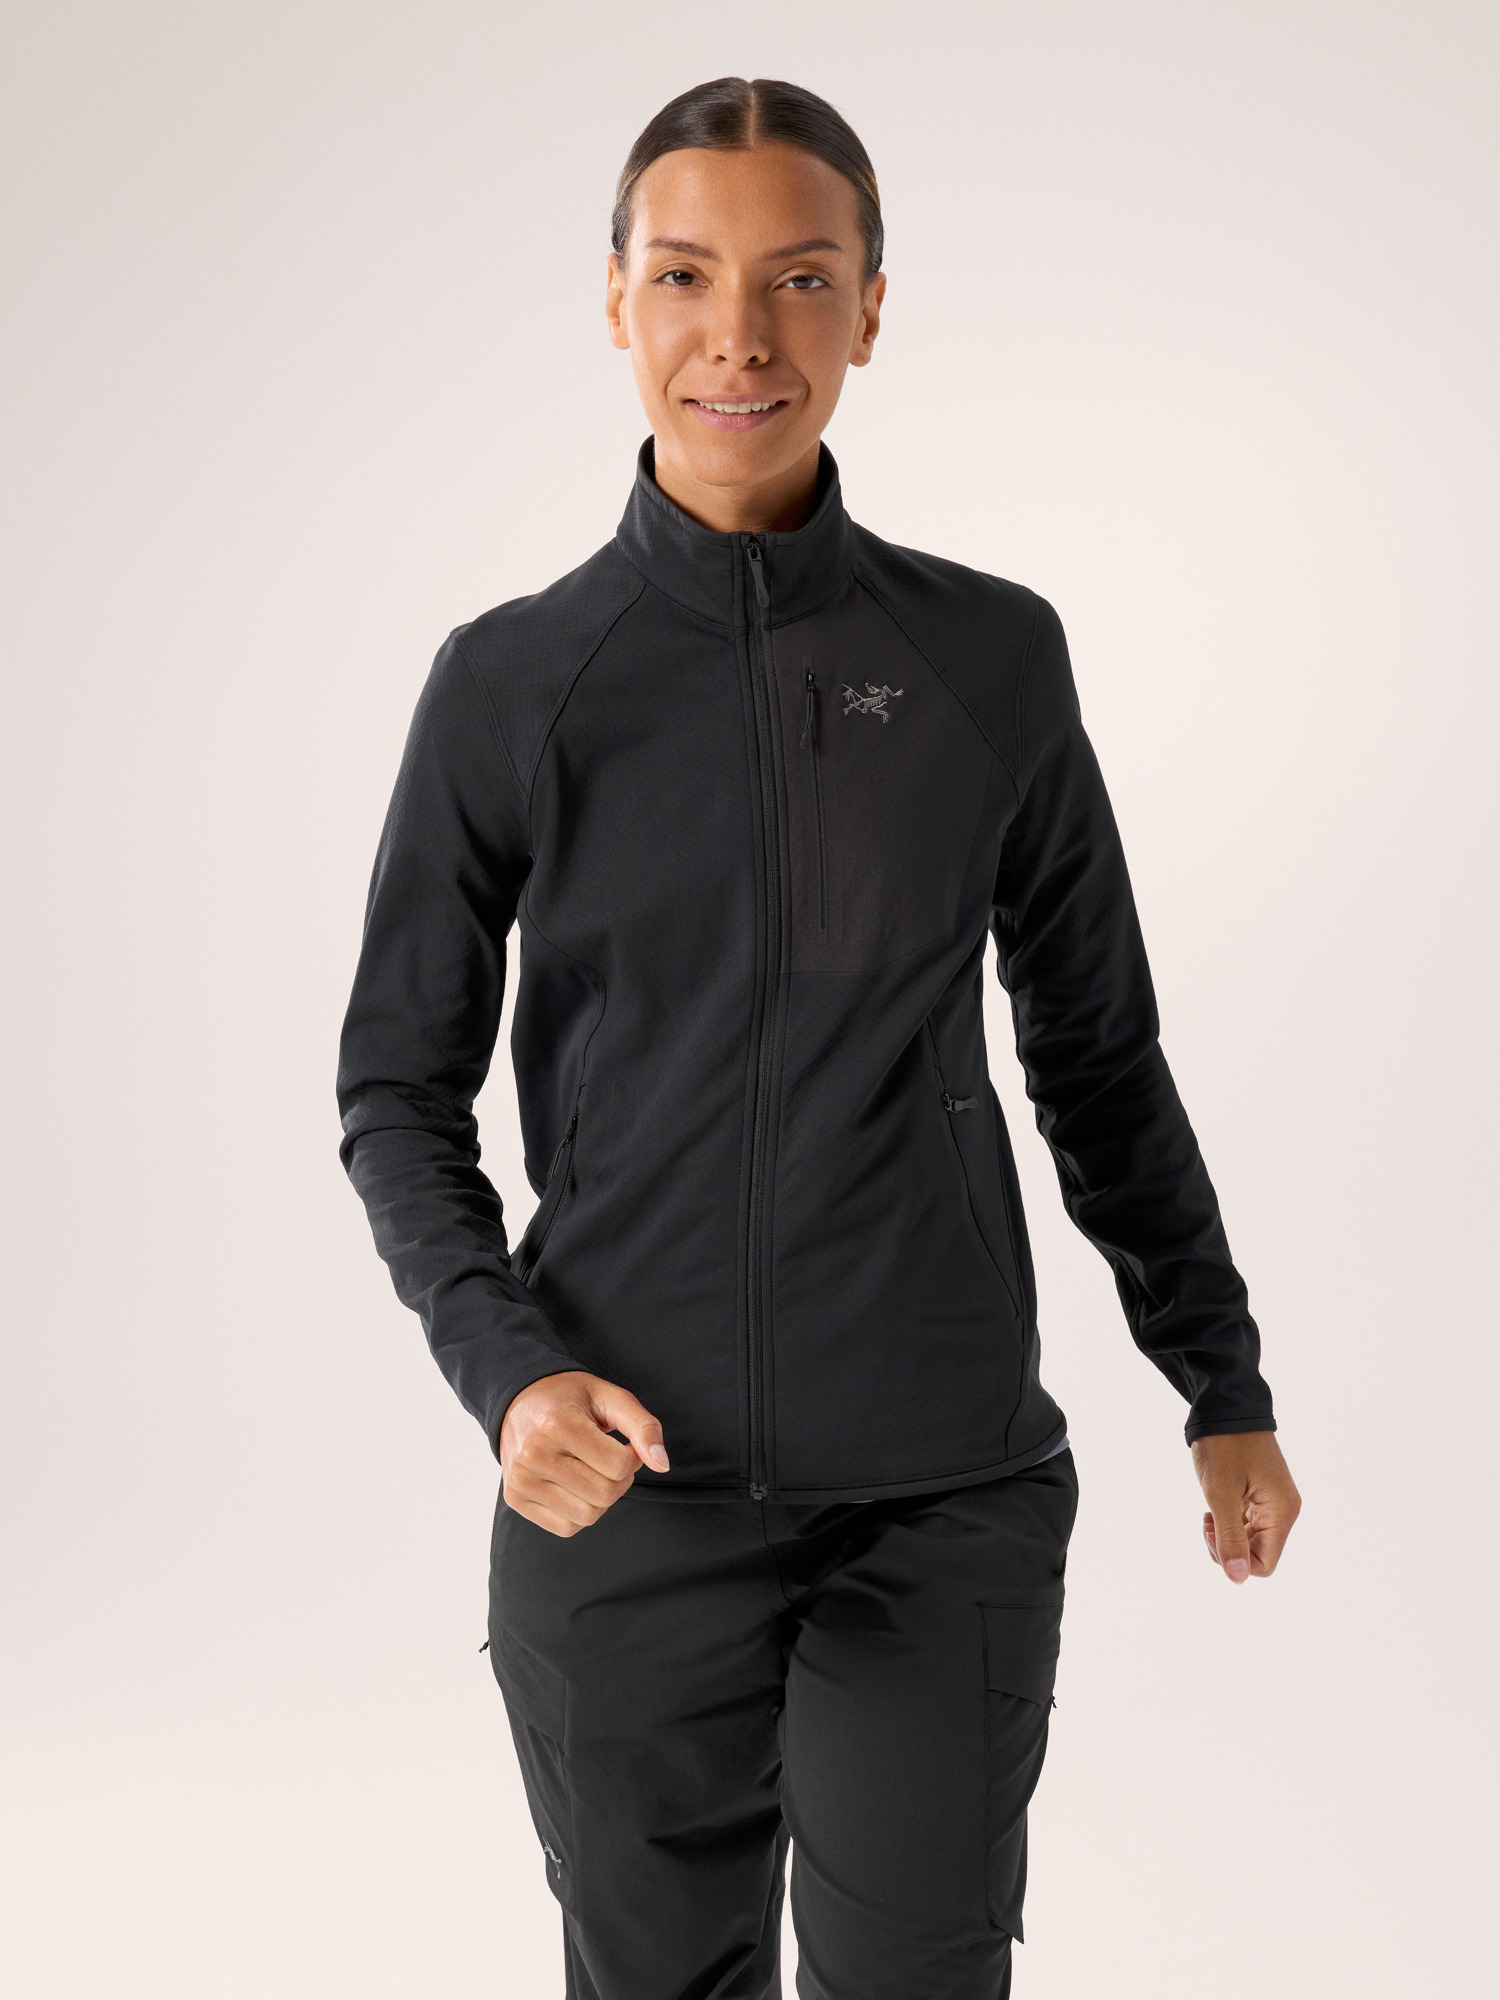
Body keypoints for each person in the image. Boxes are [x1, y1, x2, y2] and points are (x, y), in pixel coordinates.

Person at [336, 75, 1301, 2000]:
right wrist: (508, 1376)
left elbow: (1096, 1051)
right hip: (622, 1496)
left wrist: (1220, 1377)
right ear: (616, 301)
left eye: (799, 277)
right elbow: (395, 1090)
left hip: (939, 1492)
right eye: (686, 275)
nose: (741, 336)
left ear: (871, 307)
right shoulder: (514, 684)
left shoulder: (988, 657)